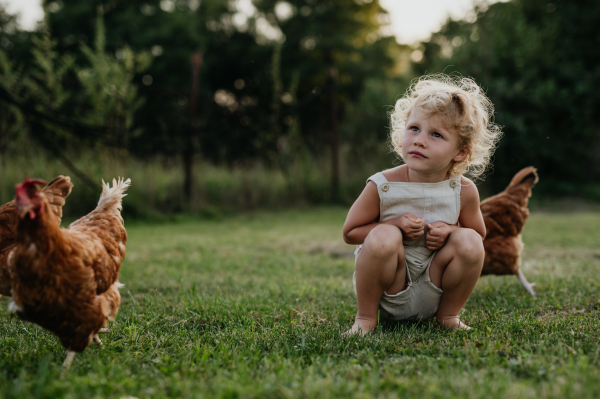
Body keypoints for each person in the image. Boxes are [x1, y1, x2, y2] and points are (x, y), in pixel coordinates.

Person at [342, 74, 503, 334]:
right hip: (390, 284)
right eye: (414, 128)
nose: (419, 140)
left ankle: (448, 315)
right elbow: (349, 233)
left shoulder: (462, 190)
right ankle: (365, 318)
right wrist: (393, 225)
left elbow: (479, 237)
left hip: (435, 284)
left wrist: (451, 232)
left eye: (436, 134)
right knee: (384, 234)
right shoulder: (382, 185)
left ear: (461, 152)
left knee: (469, 241)